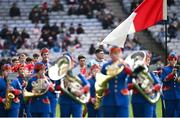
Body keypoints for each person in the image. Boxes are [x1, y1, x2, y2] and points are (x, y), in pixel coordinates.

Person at [100, 46, 132, 117]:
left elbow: (133, 75)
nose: (116, 55)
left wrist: (126, 66)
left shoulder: (125, 65)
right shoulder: (106, 66)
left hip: (122, 98)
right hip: (108, 99)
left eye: (118, 53)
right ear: (110, 55)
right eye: (114, 53)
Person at [128, 51, 161, 117]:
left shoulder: (149, 71)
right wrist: (135, 85)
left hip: (148, 100)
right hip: (136, 100)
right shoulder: (132, 73)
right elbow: (127, 86)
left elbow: (158, 84)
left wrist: (152, 89)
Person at [160, 52, 180, 117]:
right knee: (169, 114)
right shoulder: (165, 69)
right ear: (168, 60)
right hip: (169, 96)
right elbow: (164, 80)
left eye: (175, 59)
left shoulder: (179, 69)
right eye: (171, 59)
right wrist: (171, 74)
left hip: (178, 95)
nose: (173, 61)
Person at [40, 47, 58, 118]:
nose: (46, 56)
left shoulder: (52, 64)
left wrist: (54, 85)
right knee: (45, 113)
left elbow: (56, 77)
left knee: (52, 113)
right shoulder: (38, 65)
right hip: (44, 91)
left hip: (52, 91)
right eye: (44, 54)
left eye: (47, 54)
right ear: (41, 55)